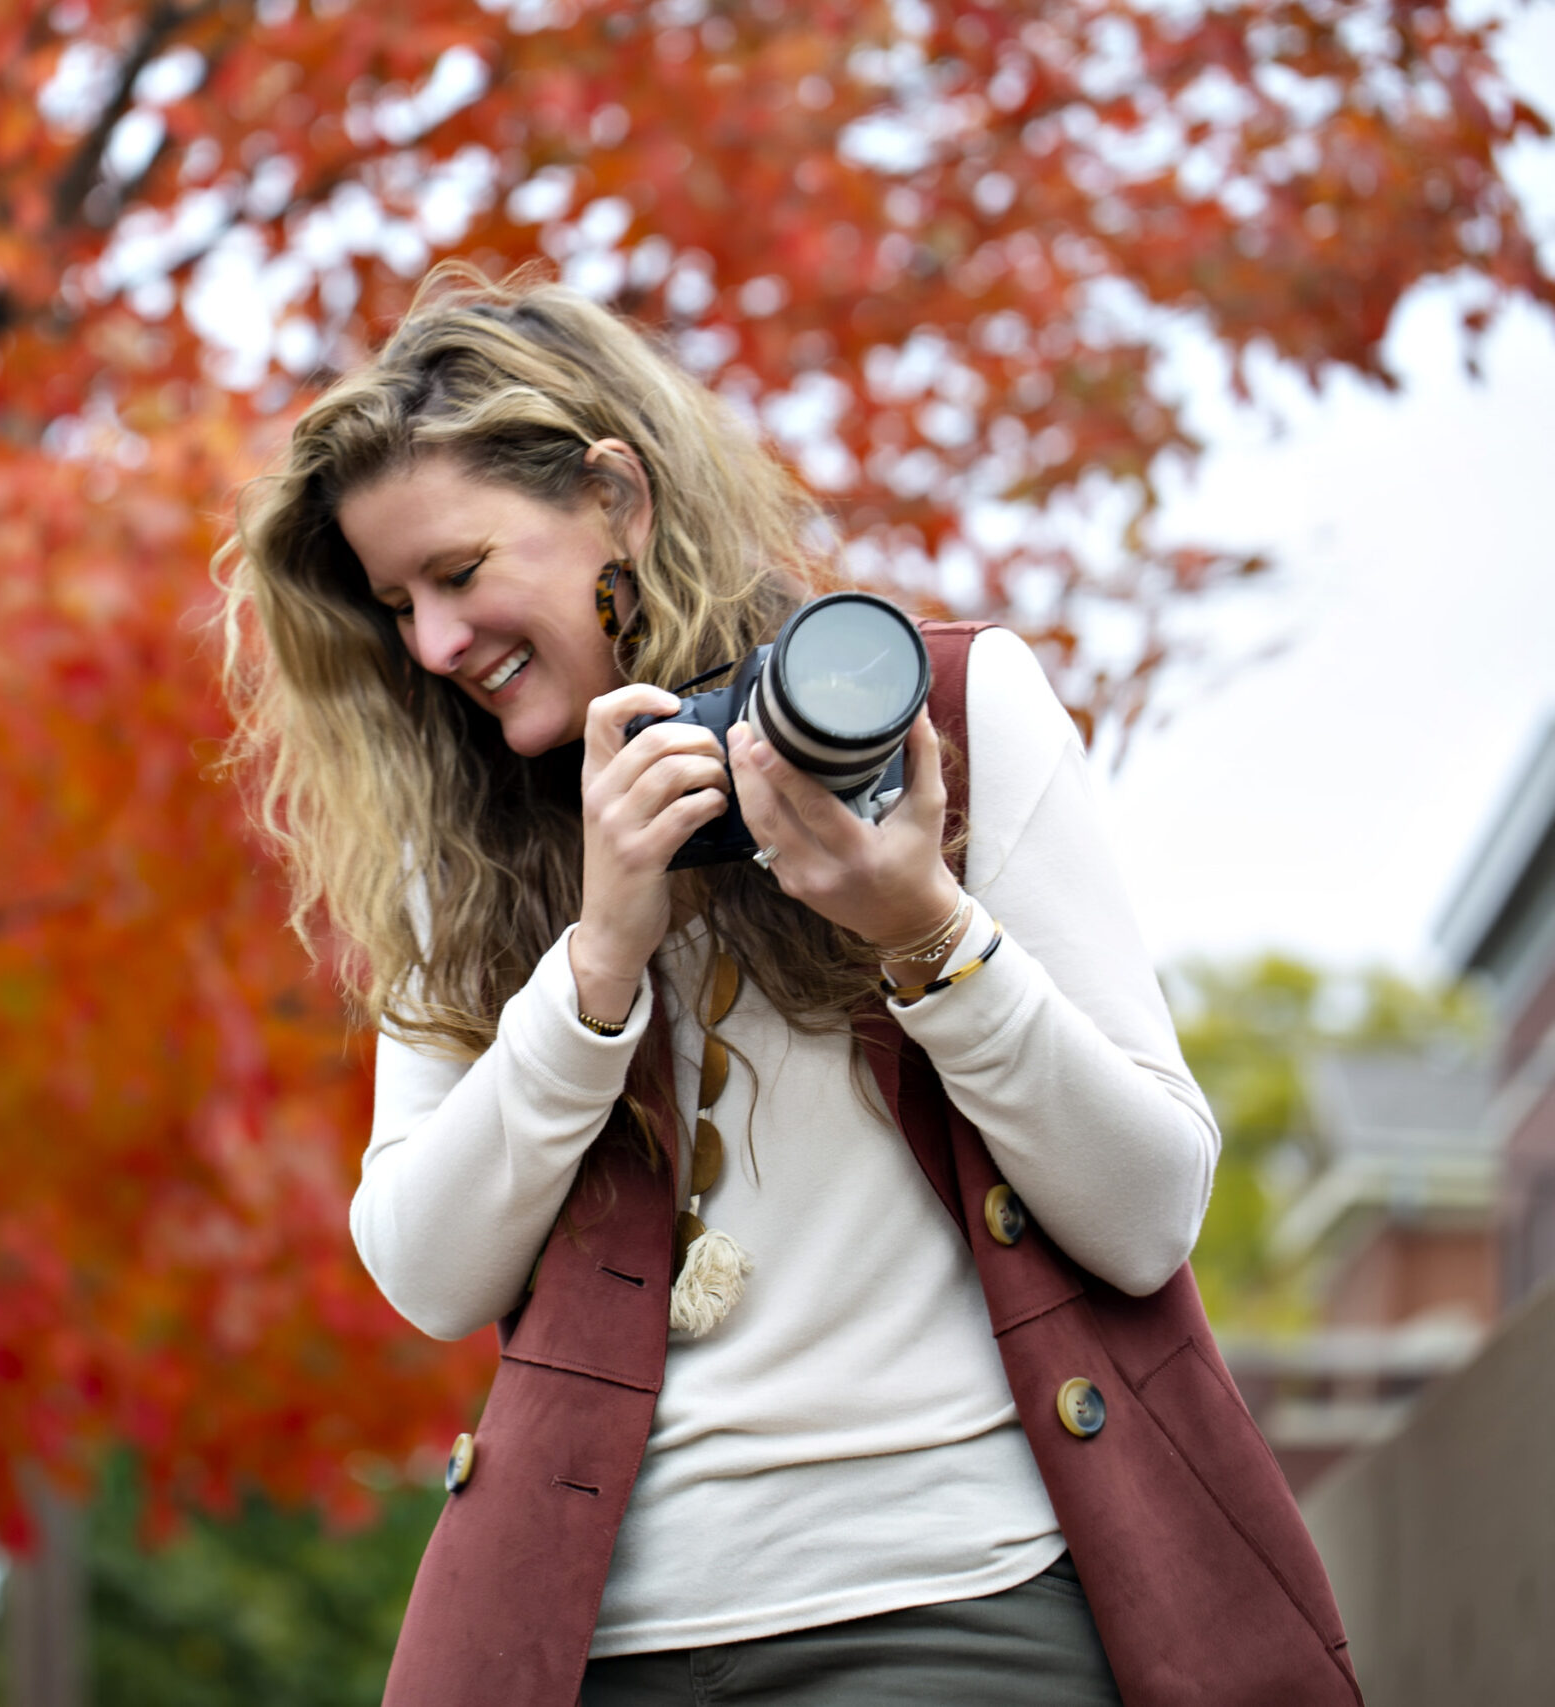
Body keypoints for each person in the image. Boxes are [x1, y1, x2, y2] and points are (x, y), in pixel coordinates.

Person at [213, 267, 1341, 1707]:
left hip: (961, 1609)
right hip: (592, 1643)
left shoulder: (951, 721)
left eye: (459, 571)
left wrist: (924, 931)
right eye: (397, 606)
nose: (433, 645)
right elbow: (429, 1273)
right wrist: (597, 964)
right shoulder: (467, 852)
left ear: (616, 497)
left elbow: (1147, 1215)